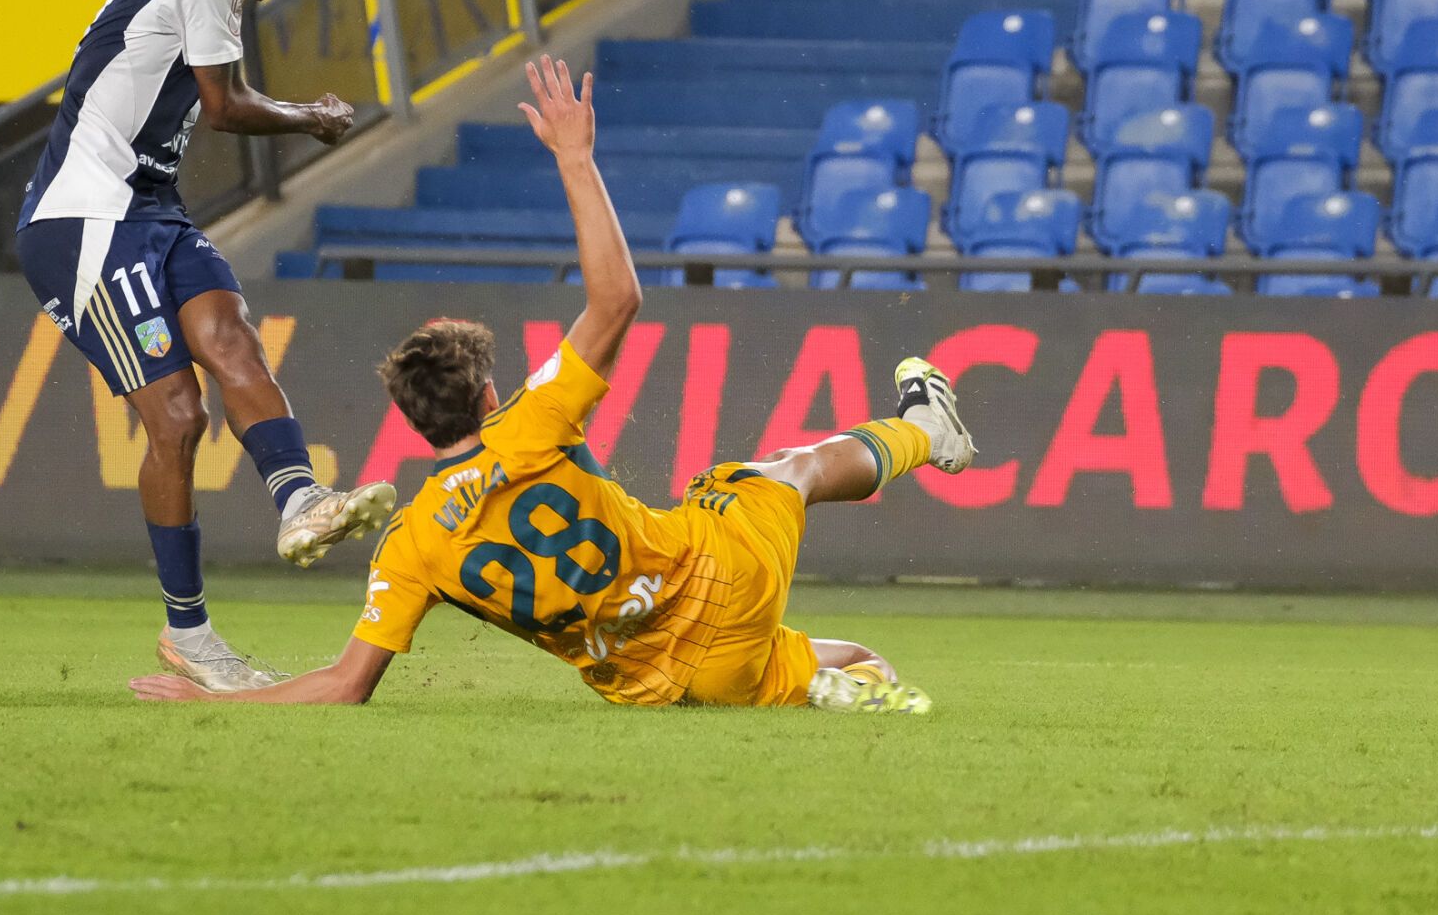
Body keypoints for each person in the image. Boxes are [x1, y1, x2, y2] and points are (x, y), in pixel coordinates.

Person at [128, 56, 977, 713]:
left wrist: (216, 698)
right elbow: (618, 298)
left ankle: (833, 684)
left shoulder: (413, 544)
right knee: (773, 475)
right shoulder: (533, 424)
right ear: (490, 397)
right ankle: (925, 433)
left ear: (416, 426)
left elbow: (347, 684)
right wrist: (575, 156)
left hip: (657, 679)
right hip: (718, 581)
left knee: (840, 661)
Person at [17, 0, 398, 693]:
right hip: (83, 222)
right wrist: (314, 117)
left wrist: (295, 110)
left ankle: (299, 500)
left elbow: (220, 91)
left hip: (151, 209)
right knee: (178, 417)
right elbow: (225, 107)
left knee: (233, 339)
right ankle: (187, 632)